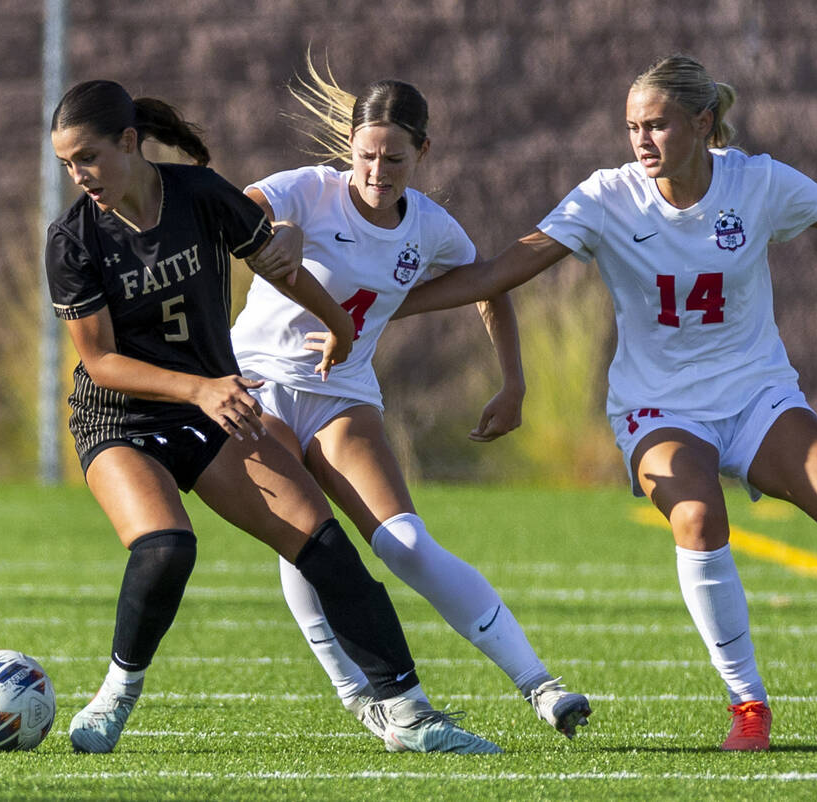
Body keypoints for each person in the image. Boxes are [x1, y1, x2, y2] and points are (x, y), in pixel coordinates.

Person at [395, 54, 817, 752]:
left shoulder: (757, 183)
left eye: (657, 125)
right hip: (658, 408)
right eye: (632, 127)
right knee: (695, 513)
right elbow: (503, 269)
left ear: (703, 122)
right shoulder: (606, 198)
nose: (641, 140)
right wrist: (385, 312)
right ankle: (748, 704)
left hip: (755, 393)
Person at [45, 79, 500, 755]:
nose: (79, 176)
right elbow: (102, 362)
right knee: (167, 546)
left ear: (130, 143)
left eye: (88, 157)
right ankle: (117, 694)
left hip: (209, 409)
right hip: (120, 418)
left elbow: (276, 262)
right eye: (66, 165)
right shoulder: (73, 239)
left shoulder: (199, 195)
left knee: (326, 549)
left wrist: (337, 325)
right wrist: (199, 390)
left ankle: (409, 714)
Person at [229, 60, 592, 741]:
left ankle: (542, 686)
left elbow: (487, 285)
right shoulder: (307, 190)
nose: (377, 171)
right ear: (350, 147)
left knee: (406, 543)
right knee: (310, 542)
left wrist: (513, 383)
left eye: (394, 158)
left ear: (423, 152)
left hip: (343, 394)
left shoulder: (430, 227)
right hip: (257, 389)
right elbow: (239, 210)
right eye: (366, 156)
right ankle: (363, 698)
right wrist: (269, 234)